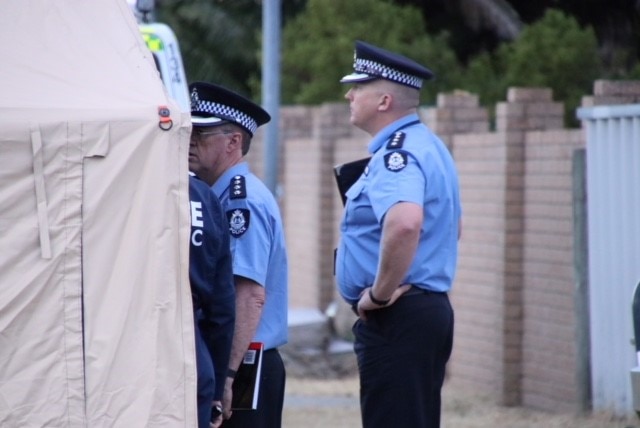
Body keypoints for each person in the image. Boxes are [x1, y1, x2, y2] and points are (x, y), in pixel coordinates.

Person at [335, 40, 462, 428]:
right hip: (421, 313)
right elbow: (453, 228)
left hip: (398, 316)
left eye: (358, 86)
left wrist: (379, 293)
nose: (349, 94)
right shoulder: (429, 146)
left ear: (384, 100)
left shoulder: (398, 153)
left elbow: (406, 223)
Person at [187, 81, 289, 428]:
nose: (190, 141)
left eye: (201, 134)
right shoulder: (215, 196)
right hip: (234, 358)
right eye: (189, 131)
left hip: (245, 362)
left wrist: (226, 376)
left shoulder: (239, 201)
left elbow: (248, 294)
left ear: (233, 142)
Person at [188, 174, 236, 428]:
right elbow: (221, 310)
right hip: (192, 357)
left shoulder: (122, 186)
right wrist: (217, 386)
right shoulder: (203, 196)